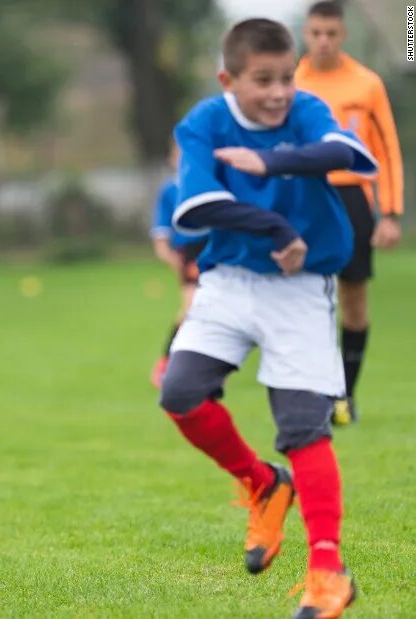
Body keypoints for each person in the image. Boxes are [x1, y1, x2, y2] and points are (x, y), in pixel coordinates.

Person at [161, 19, 376, 618]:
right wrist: (279, 228)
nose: (280, 91)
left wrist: (271, 163)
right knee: (180, 393)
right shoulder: (204, 122)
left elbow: (351, 154)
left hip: (301, 288)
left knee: (304, 425)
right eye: (263, 81)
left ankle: (328, 572)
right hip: (229, 280)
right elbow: (199, 205)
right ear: (229, 79)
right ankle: (261, 481)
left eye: (286, 77)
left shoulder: (305, 110)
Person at [295, 0, 405, 425]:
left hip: (353, 199)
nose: (323, 41)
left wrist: (391, 212)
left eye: (331, 34)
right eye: (316, 33)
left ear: (343, 35)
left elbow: (388, 150)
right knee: (304, 298)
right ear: (306, 34)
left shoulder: (367, 83)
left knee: (353, 298)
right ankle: (313, 393)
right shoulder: (291, 82)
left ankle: (346, 395)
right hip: (306, 197)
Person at [149, 139, 208, 388]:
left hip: (216, 249)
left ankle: (209, 369)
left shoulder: (209, 184)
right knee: (191, 307)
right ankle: (166, 361)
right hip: (190, 253)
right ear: (171, 159)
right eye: (179, 156)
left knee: (218, 310)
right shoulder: (170, 190)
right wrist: (169, 256)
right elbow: (161, 231)